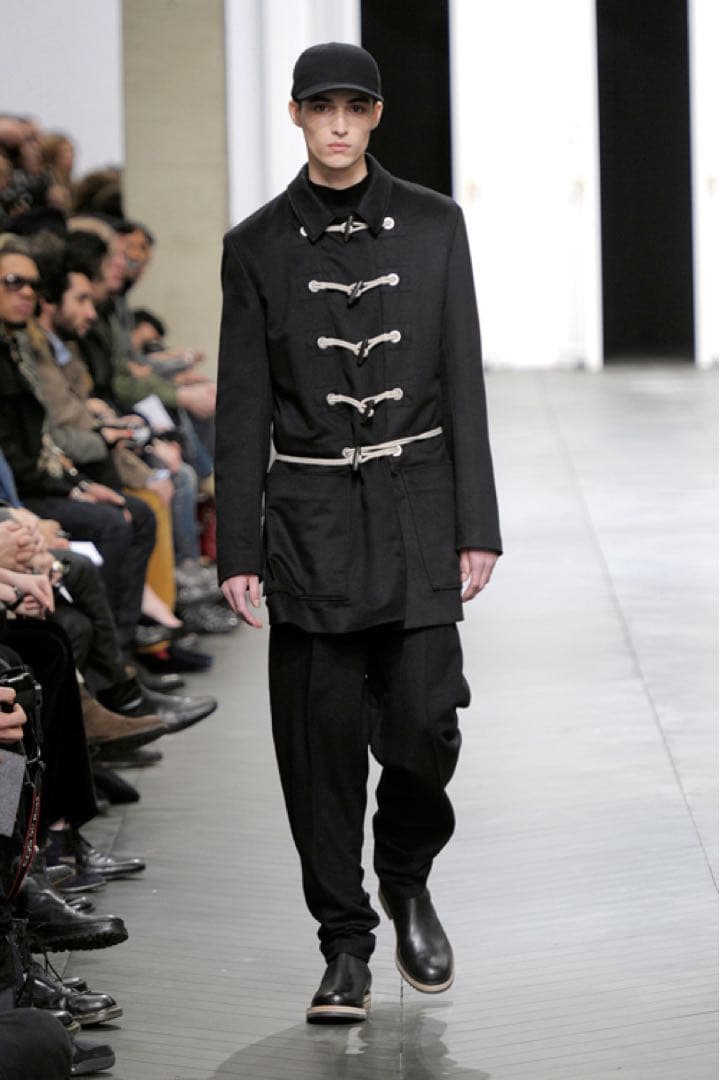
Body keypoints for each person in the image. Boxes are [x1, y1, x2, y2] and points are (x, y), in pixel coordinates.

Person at [216, 42, 501, 1023]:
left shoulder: (434, 224)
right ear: (296, 114)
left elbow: (462, 377)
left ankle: (406, 874)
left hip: (417, 506)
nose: (338, 125)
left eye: (355, 107)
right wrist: (239, 547)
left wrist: (478, 524)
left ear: (375, 116)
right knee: (319, 749)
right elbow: (242, 405)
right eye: (321, 107)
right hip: (311, 520)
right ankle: (344, 942)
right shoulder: (255, 246)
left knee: (425, 722)